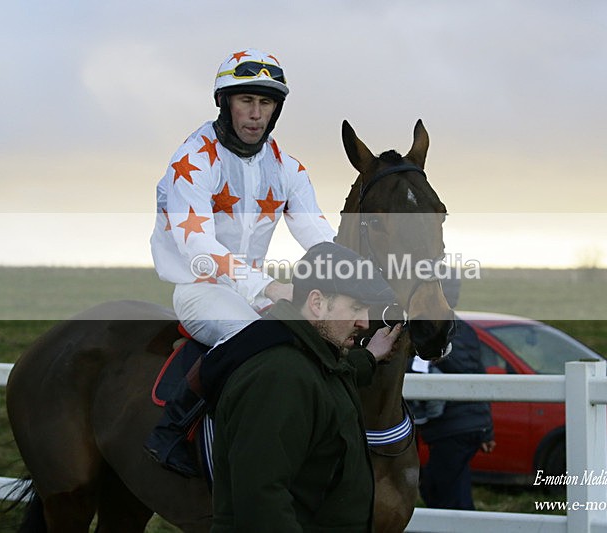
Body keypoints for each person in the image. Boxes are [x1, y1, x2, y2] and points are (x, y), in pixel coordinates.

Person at [145, 48, 335, 475]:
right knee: (257, 340)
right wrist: (268, 287)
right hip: (200, 290)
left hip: (253, 289)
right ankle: (172, 429)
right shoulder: (192, 162)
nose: (255, 114)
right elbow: (199, 249)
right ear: (225, 103)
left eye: (265, 102)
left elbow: (319, 238)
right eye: (245, 100)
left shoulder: (288, 168)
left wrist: (357, 276)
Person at [209, 241, 402, 531]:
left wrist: (371, 358)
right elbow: (262, 504)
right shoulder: (278, 378)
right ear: (316, 303)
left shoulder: (310, 358)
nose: (364, 322)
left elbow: (335, 374)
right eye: (356, 307)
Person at [410, 275, 496, 510]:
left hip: (451, 428)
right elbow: (480, 376)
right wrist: (487, 429)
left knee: (438, 491)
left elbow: (419, 371)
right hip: (473, 425)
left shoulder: (428, 329)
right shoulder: (467, 329)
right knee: (455, 488)